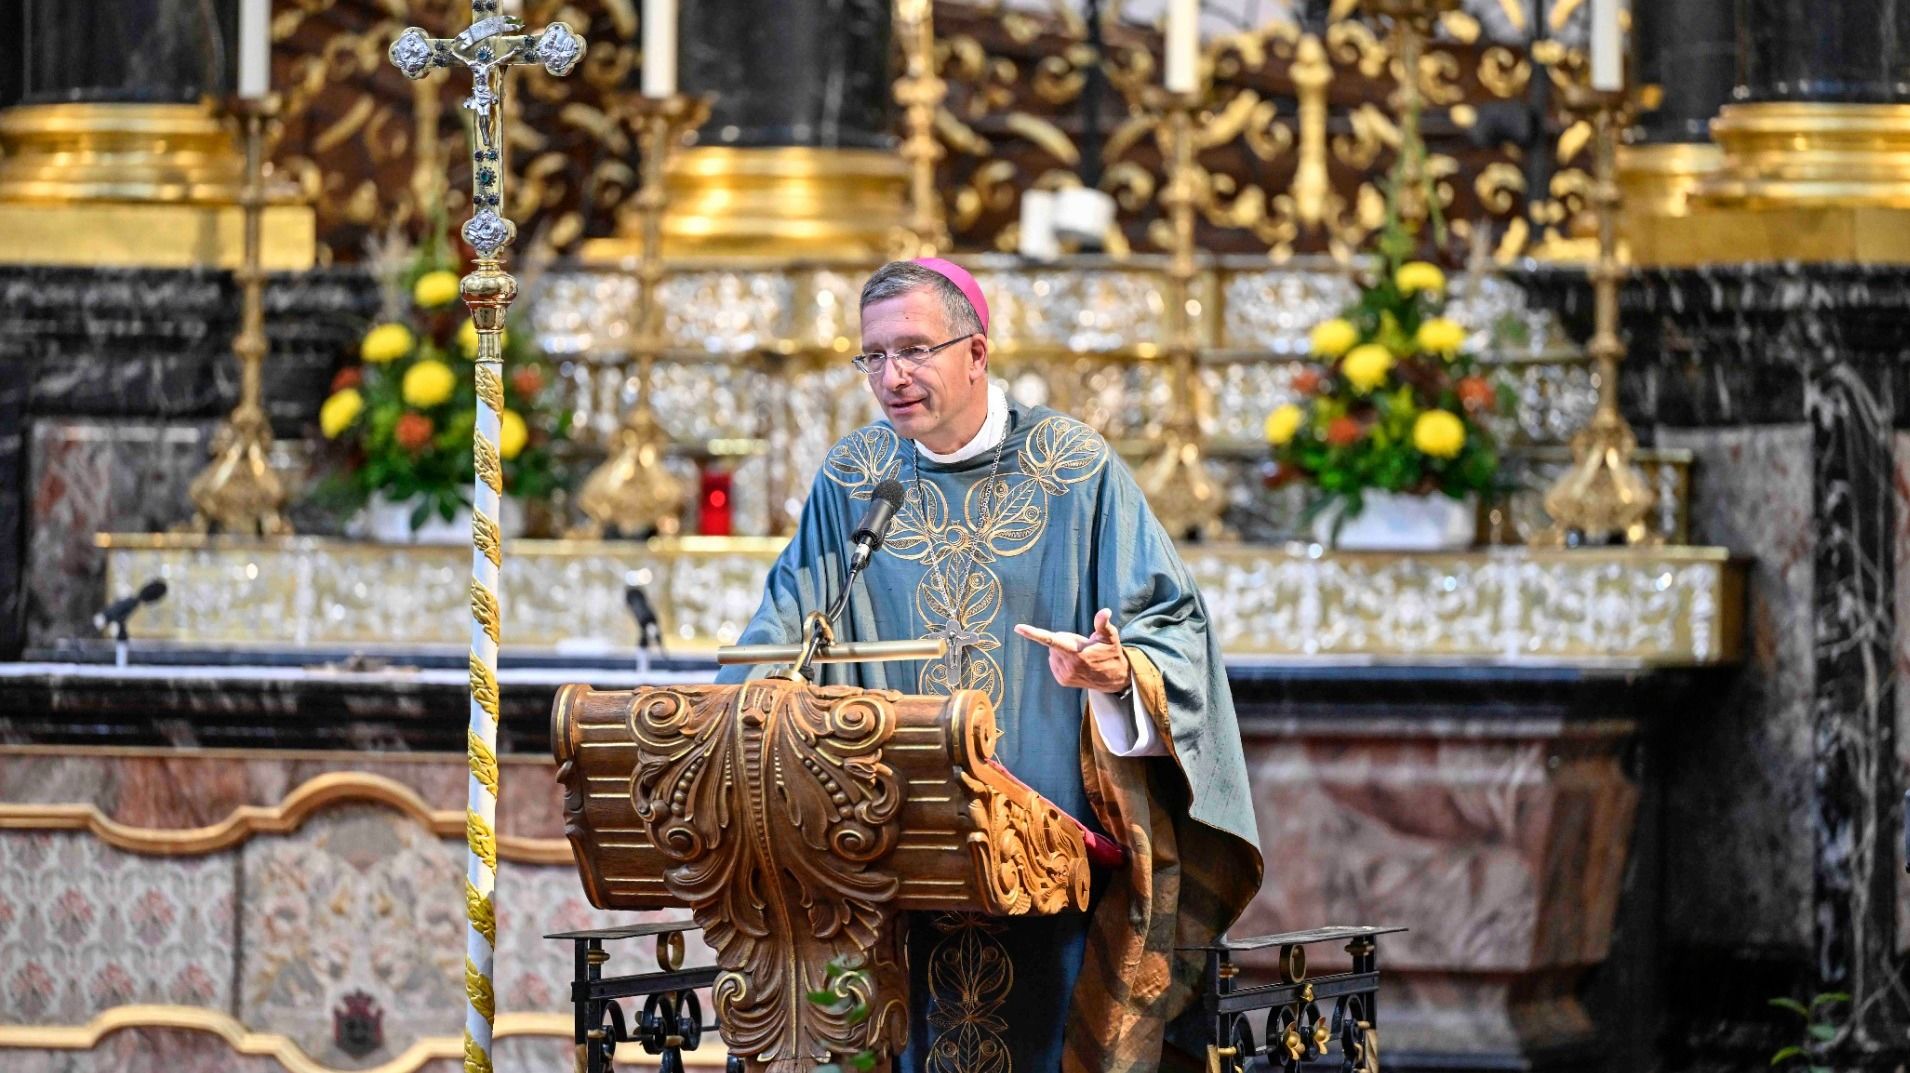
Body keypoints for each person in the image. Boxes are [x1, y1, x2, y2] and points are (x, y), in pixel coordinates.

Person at [721, 258, 1262, 1072]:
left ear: (976, 352)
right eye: (872, 356)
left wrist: (1120, 675)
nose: (891, 376)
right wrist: (742, 709)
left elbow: (1173, 628)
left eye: (913, 350)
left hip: (1050, 861)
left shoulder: (1073, 468)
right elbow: (787, 626)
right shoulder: (855, 477)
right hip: (897, 852)